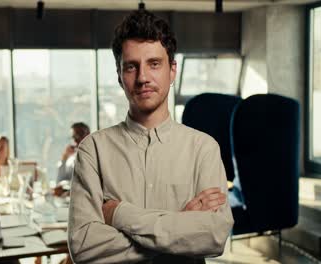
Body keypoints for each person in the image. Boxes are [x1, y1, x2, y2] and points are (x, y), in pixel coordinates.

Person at [68, 10, 234, 263]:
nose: (143, 77)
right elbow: (83, 247)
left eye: (154, 64)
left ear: (172, 70)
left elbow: (213, 237)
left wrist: (119, 214)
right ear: (119, 76)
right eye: (131, 66)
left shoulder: (204, 148)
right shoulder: (93, 150)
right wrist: (180, 225)